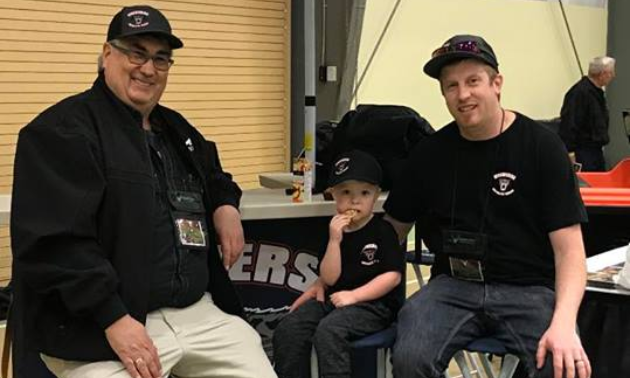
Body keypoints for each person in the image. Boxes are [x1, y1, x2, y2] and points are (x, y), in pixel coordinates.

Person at [10, 5, 276, 378]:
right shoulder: (62, 131)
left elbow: (213, 174)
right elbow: (55, 244)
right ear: (106, 56)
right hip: (101, 325)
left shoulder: (176, 129)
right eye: (136, 53)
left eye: (161, 59)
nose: (148, 69)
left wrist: (225, 206)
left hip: (197, 313)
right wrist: (113, 317)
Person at [383, 35, 591, 378]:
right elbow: (391, 229)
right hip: (451, 288)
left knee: (563, 365)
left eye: (473, 81)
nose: (462, 94)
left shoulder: (543, 148)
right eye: (451, 86)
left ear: (497, 84)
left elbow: (570, 252)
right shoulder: (429, 154)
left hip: (529, 290)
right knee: (410, 359)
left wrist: (565, 324)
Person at [272, 150, 405, 378]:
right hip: (333, 299)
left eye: (364, 192)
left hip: (373, 305)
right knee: (289, 328)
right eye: (345, 192)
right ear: (333, 195)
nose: (355, 200)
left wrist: (355, 296)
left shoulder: (383, 231)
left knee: (329, 331)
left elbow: (392, 277)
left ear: (375, 196)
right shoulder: (334, 229)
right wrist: (335, 240)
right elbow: (330, 278)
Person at [559, 56, 616, 172]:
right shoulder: (579, 94)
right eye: (611, 72)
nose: (613, 76)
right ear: (603, 74)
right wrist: (570, 153)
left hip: (596, 152)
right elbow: (569, 124)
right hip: (583, 153)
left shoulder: (597, 93)